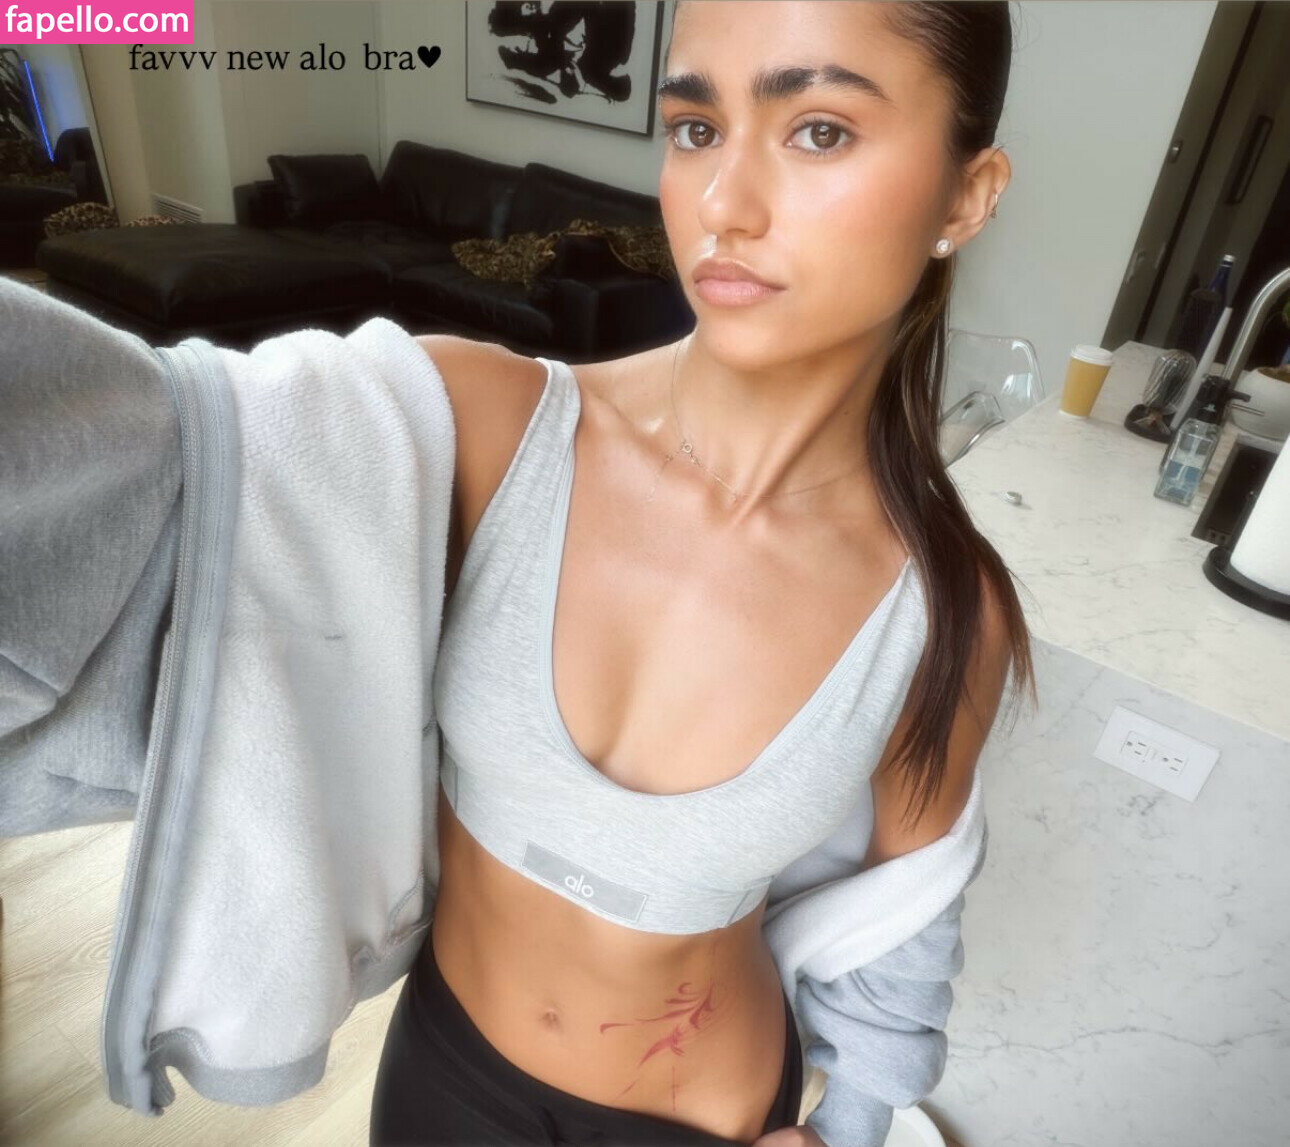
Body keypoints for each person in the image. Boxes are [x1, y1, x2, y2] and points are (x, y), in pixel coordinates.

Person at [367, 2, 1033, 1145]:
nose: (724, 204)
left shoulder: (942, 612)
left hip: (704, 1115)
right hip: (444, 1064)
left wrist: (853, 1125)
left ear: (966, 198)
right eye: (695, 129)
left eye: (819, 131)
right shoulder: (479, 426)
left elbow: (910, 913)